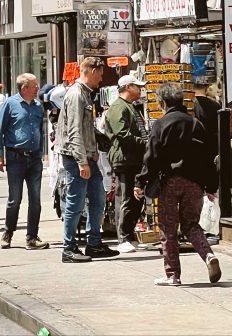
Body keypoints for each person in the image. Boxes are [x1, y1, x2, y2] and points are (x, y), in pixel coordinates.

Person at [135, 83, 222, 286]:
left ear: (162, 103)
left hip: (170, 182)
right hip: (195, 183)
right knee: (191, 224)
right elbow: (209, 157)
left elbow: (151, 157)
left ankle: (172, 275)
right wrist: (210, 186)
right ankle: (208, 256)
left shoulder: (161, 124)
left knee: (168, 228)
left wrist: (141, 181)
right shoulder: (196, 124)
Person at [57, 56, 116, 263]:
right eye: (99, 74)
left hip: (87, 156)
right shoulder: (76, 95)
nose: (101, 79)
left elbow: (84, 128)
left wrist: (100, 139)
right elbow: (74, 131)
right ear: (90, 71)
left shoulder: (85, 94)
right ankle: (69, 248)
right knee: (75, 202)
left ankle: (94, 243)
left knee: (98, 199)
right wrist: (82, 161)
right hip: (77, 158)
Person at [0, 73, 50, 251]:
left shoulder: (38, 106)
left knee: (36, 199)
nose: (38, 88)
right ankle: (8, 232)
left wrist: (41, 152)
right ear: (24, 88)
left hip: (35, 158)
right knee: (15, 199)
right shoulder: (10, 104)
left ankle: (32, 237)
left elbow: (39, 130)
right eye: (34, 86)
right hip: (15, 157)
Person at [105, 74, 148, 254]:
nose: (140, 89)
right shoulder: (117, 107)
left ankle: (128, 235)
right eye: (137, 86)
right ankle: (123, 237)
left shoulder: (130, 107)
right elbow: (122, 134)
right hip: (124, 159)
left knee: (136, 198)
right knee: (126, 198)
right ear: (128, 87)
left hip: (134, 158)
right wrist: (145, 142)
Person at [193, 82, 220, 168]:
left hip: (194, 152)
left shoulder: (188, 105)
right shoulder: (216, 105)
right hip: (212, 151)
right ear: (206, 87)